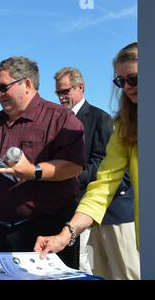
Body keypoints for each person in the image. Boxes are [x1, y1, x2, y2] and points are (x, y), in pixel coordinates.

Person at [0, 56, 85, 268]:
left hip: (44, 235)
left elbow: (73, 165)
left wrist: (33, 171)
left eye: (3, 87)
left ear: (26, 84)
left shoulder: (61, 119)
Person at [35, 42, 139, 279]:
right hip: (85, 212)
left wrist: (71, 175)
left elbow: (109, 172)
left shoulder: (100, 118)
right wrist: (66, 235)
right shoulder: (124, 125)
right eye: (121, 82)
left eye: (133, 78)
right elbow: (105, 181)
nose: (128, 87)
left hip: (118, 216)